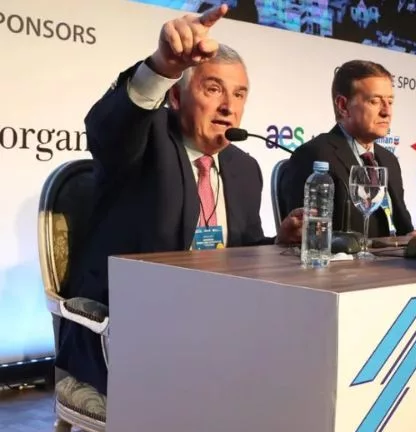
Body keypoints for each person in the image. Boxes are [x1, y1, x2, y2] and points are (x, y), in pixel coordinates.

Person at [58, 4, 303, 397]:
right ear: (175, 96)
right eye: (213, 89)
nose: (229, 107)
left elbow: (242, 251)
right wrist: (162, 66)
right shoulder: (143, 142)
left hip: (216, 327)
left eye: (239, 94)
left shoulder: (244, 168)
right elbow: (107, 128)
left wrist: (278, 243)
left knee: (290, 365)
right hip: (126, 329)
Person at [280, 60, 416, 239]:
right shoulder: (314, 155)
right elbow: (307, 239)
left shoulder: (389, 160)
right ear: (343, 106)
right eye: (375, 101)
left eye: (390, 101)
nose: (386, 111)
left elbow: (402, 230)